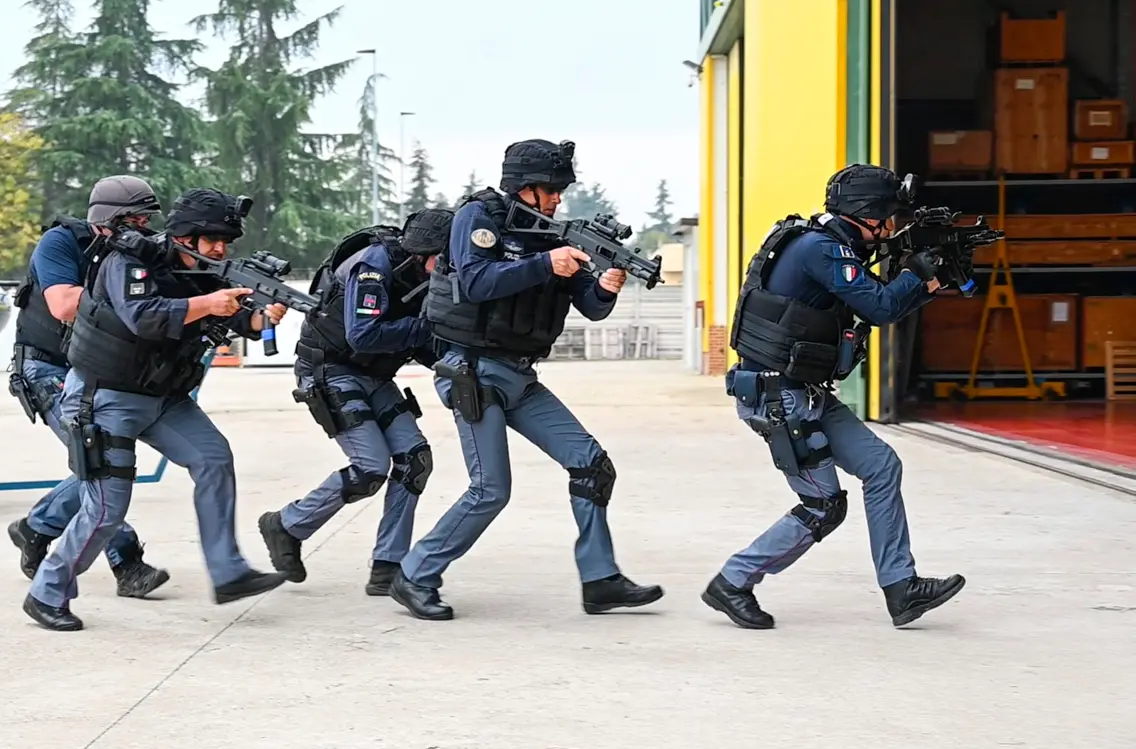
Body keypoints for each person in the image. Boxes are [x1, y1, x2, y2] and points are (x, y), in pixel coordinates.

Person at [388, 138, 664, 621]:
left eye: (560, 190)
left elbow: (593, 308)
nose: (558, 198)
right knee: (490, 489)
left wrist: (607, 284)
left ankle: (600, 581)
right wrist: (545, 263)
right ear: (524, 187)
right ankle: (413, 575)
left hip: (519, 376)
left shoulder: (552, 235)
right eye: (550, 189)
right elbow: (473, 282)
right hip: (473, 372)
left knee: (591, 465)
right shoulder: (479, 217)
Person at [703, 163, 965, 630]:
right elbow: (881, 306)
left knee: (882, 465)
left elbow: (883, 302)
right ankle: (733, 581)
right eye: (889, 217)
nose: (893, 227)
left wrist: (930, 281)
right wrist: (914, 272)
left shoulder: (832, 247)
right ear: (868, 214)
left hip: (803, 391)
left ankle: (901, 589)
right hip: (777, 397)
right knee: (823, 506)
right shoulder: (820, 250)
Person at [23, 188, 290, 631]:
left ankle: (228, 572)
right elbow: (142, 315)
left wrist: (262, 318)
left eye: (226, 240)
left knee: (214, 457)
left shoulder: (206, 273)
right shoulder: (128, 260)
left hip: (162, 398)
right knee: (106, 510)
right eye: (211, 239)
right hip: (103, 398)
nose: (220, 248)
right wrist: (209, 303)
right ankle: (47, 592)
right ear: (186, 236)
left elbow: (234, 316)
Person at [258, 208, 453, 596]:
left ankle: (388, 565)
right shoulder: (374, 265)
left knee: (415, 460)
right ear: (423, 252)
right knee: (370, 467)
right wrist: (429, 330)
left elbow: (424, 343)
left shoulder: (430, 276)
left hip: (375, 375)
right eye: (445, 257)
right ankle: (286, 525)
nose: (451, 266)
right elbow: (364, 334)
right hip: (329, 368)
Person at [6, 175, 169, 598]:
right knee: (101, 464)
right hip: (46, 370)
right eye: (133, 218)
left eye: (146, 218)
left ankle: (36, 527)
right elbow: (62, 305)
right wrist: (125, 294)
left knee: (97, 464)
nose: (142, 227)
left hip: (98, 373)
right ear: (106, 219)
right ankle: (126, 562)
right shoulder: (61, 243)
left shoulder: (140, 252)